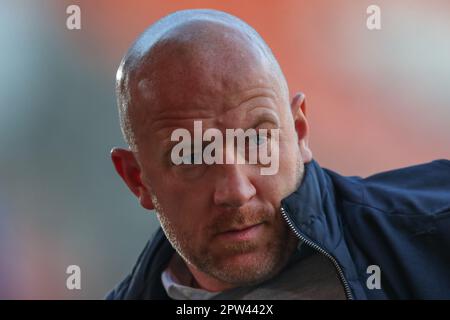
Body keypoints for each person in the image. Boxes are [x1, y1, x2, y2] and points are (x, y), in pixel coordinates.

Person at [107, 9, 450, 300]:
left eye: (258, 139)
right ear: (138, 179)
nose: (237, 191)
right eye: (192, 154)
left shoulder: (434, 234)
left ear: (298, 131)